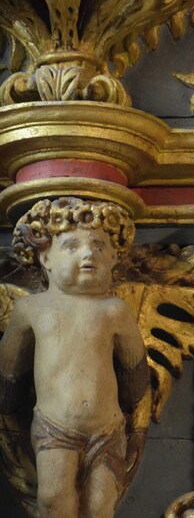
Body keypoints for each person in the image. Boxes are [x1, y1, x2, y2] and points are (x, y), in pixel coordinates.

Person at [0, 198, 148, 518]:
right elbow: (10, 368)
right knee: (54, 499)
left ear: (112, 258)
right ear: (46, 257)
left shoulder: (114, 311)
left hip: (107, 428)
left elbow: (135, 369)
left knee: (100, 505)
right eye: (71, 246)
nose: (87, 253)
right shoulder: (31, 310)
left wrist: (139, 421)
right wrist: (7, 406)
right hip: (55, 427)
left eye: (98, 246)